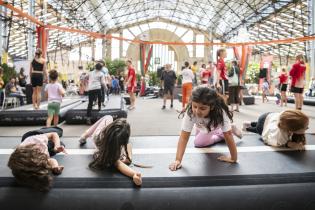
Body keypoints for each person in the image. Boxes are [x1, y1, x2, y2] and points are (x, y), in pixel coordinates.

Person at [169, 86, 238, 171]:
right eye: (195, 106)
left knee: (199, 143)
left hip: (213, 126)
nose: (197, 111)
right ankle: (226, 129)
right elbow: (184, 137)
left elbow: (228, 135)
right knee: (201, 131)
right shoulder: (191, 112)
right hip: (200, 126)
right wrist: (177, 160)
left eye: (202, 108)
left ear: (212, 107)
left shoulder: (220, 112)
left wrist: (233, 158)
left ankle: (224, 130)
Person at [78, 115, 142, 186]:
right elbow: (119, 164)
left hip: (98, 136)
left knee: (108, 117)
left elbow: (120, 162)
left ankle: (84, 135)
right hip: (98, 137)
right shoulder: (114, 152)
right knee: (108, 119)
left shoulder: (104, 141)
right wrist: (134, 174)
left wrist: (134, 174)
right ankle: (85, 134)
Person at [243, 110, 309, 150]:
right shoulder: (279, 135)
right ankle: (246, 128)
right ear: (293, 129)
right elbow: (272, 141)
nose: (307, 128)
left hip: (269, 115)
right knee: (258, 129)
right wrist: (289, 144)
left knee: (263, 123)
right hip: (262, 125)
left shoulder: (287, 119)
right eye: (305, 128)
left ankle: (249, 123)